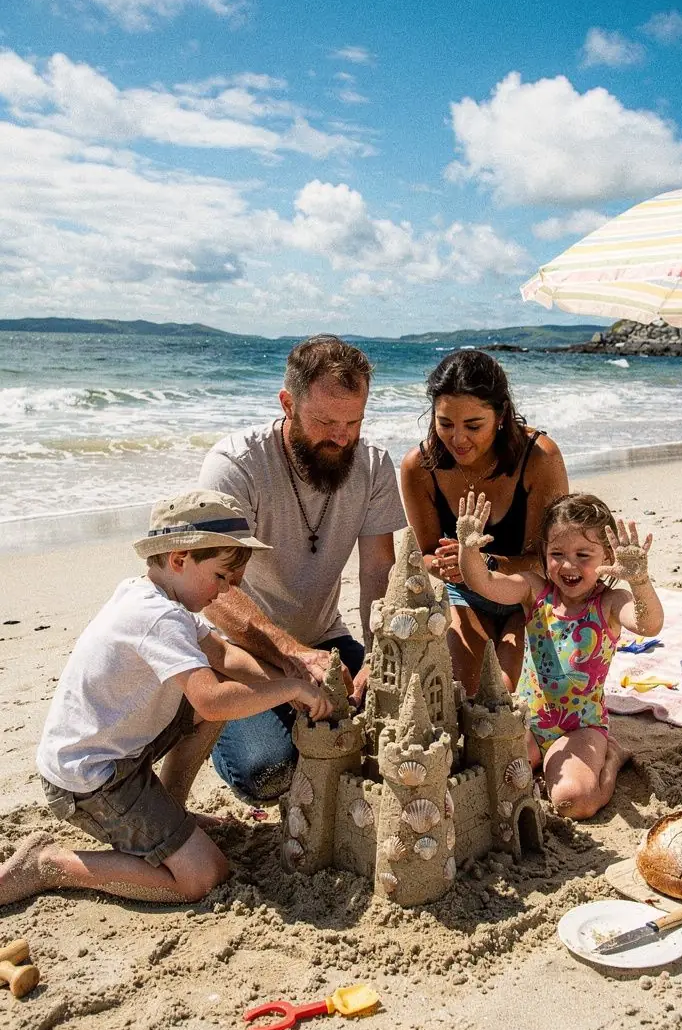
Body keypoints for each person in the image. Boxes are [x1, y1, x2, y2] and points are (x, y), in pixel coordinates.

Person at [0, 492, 333, 909]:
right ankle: (48, 864)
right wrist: (288, 690)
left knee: (221, 695)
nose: (225, 592)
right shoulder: (156, 617)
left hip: (121, 749)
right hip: (91, 779)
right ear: (179, 559)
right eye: (222, 579)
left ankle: (169, 812)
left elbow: (225, 655)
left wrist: (289, 676)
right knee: (202, 876)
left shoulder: (158, 595)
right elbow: (211, 701)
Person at [186, 335, 405, 807]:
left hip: (323, 642)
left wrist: (375, 656)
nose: (342, 437)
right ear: (287, 403)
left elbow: (378, 576)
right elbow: (213, 592)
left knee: (402, 716)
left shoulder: (373, 465)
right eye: (325, 421)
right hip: (236, 653)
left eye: (354, 421)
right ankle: (206, 726)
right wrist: (291, 654)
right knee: (269, 770)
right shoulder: (234, 466)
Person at [455, 490, 664, 820]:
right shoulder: (534, 591)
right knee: (489, 776)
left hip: (580, 726)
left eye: (584, 554)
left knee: (572, 802)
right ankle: (547, 759)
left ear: (608, 555)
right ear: (543, 553)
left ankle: (610, 759)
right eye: (557, 553)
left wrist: (639, 582)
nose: (569, 565)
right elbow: (483, 583)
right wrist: (468, 549)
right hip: (529, 719)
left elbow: (649, 624)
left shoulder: (611, 602)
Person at [401, 349, 568, 694]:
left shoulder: (539, 458)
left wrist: (483, 563)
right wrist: (450, 567)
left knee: (509, 691)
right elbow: (428, 554)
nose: (458, 440)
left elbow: (549, 557)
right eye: (445, 424)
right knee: (472, 692)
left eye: (473, 426)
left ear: (502, 415)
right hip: (466, 594)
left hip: (527, 590)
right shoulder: (419, 467)